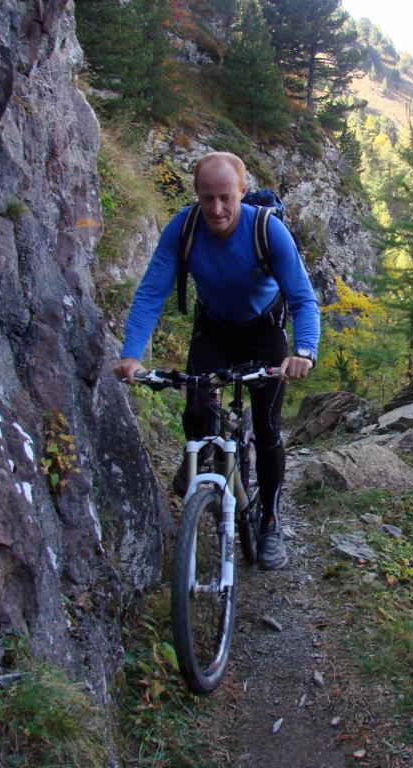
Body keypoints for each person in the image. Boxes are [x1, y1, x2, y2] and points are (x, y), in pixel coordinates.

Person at [114, 151, 319, 570]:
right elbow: (153, 291)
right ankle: (200, 461)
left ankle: (270, 521)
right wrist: (131, 355)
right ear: (197, 195)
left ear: (242, 192)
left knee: (265, 426)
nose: (217, 208)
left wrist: (304, 351)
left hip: (264, 330)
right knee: (195, 408)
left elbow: (302, 297)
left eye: (226, 197)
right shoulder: (184, 227)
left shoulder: (267, 230)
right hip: (215, 328)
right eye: (207, 198)